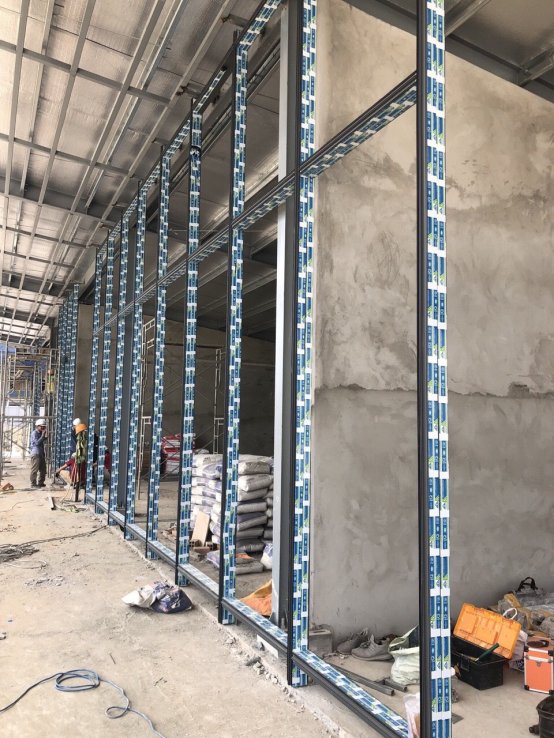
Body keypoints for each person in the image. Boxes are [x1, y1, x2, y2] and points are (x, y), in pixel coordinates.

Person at [30, 419, 47, 488]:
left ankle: (41, 482)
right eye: (41, 426)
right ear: (37, 426)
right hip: (36, 454)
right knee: (34, 470)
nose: (43, 428)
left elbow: (42, 442)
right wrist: (42, 436)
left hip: (41, 454)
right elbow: (36, 443)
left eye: (44, 426)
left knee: (43, 470)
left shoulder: (40, 433)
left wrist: (44, 437)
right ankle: (33, 484)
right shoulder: (34, 433)